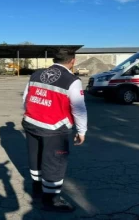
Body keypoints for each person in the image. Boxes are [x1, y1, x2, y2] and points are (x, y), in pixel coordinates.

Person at [21, 48, 87, 212]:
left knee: (35, 158)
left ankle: (37, 191)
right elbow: (78, 109)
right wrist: (81, 131)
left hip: (31, 123)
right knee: (54, 164)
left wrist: (33, 114)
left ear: (53, 59)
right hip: (55, 129)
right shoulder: (72, 80)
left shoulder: (36, 74)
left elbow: (26, 98)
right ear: (73, 61)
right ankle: (51, 200)